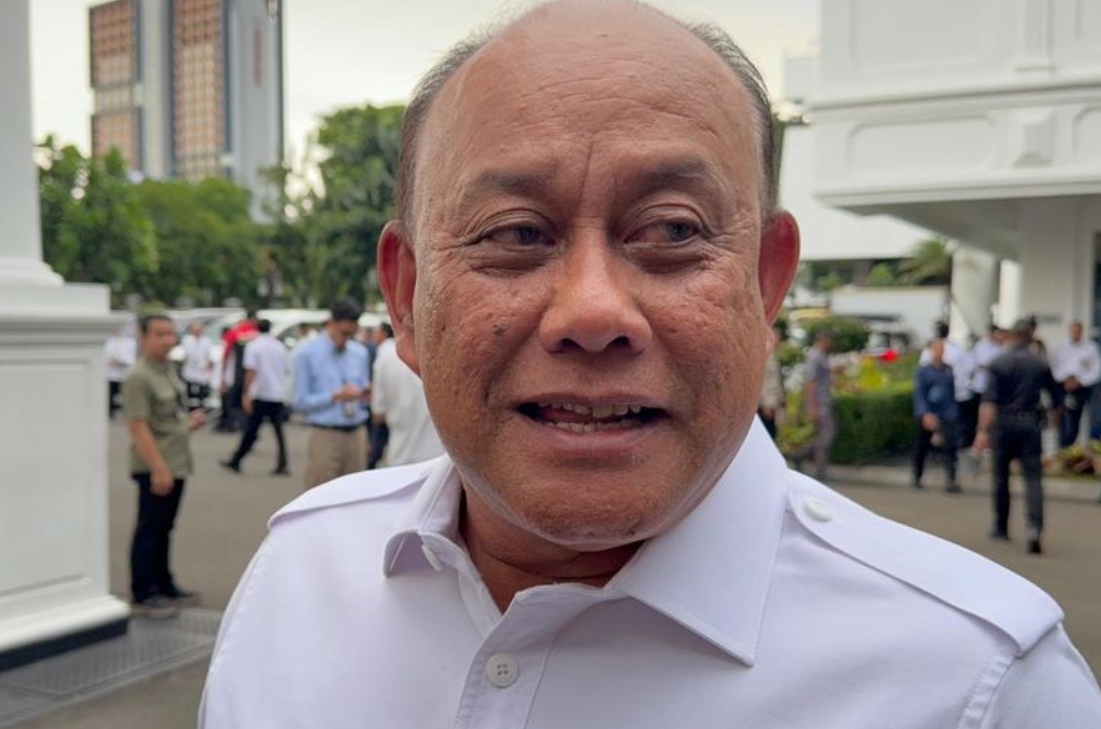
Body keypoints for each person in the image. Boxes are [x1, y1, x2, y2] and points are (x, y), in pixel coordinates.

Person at [200, 3, 1101, 726]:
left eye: (672, 229)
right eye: (516, 233)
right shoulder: (303, 569)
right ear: (405, 296)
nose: (593, 313)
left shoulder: (978, 684)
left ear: (765, 282)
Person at [122, 313, 205, 619]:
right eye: (159, 334)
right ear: (143, 337)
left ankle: (163, 583)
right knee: (149, 528)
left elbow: (167, 417)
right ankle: (143, 592)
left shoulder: (166, 368)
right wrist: (158, 467)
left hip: (176, 459)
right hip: (156, 463)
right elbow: (138, 426)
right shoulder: (139, 376)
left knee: (165, 528)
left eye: (171, 334)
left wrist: (188, 423)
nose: (168, 340)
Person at [975, 319, 1062, 556]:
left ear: (1011, 336)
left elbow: (989, 402)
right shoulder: (1039, 363)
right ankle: (1034, 528)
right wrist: (1053, 426)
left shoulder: (998, 362)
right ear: (1031, 336)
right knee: (1033, 479)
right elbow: (1056, 399)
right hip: (1030, 424)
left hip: (1003, 424)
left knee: (1001, 477)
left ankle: (1000, 526)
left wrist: (982, 431)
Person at [292, 298, 369, 488]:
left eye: (352, 334)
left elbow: (363, 391)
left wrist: (366, 394)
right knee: (320, 493)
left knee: (356, 494)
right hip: (325, 433)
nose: (347, 339)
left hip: (356, 432)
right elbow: (300, 401)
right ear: (331, 324)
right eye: (344, 333)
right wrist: (334, 396)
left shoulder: (360, 353)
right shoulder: (306, 353)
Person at [221, 319, 289, 475]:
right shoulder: (279, 346)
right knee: (278, 432)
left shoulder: (254, 346)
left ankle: (236, 460)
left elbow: (251, 371)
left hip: (261, 394)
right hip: (277, 394)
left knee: (251, 430)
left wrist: (246, 393)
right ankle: (282, 463)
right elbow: (285, 370)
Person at [370, 326, 444, 467]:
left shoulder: (385, 357)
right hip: (438, 458)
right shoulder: (444, 352)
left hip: (400, 454)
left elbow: (378, 413)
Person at [912, 339, 961, 492]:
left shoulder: (948, 370)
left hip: (947, 412)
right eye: (936, 350)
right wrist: (925, 413)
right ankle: (917, 476)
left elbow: (951, 392)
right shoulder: (923, 371)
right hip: (928, 411)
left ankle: (951, 480)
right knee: (922, 446)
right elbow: (919, 394)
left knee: (950, 448)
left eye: (941, 350)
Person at [1050, 319, 1101, 447]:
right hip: (1063, 386)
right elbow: (1054, 366)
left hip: (1081, 387)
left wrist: (1079, 380)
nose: (1075, 333)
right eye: (1073, 331)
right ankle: (1062, 445)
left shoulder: (1090, 348)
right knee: (1063, 417)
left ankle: (1072, 445)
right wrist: (1065, 379)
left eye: (1078, 331)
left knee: (1075, 417)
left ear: (1081, 332)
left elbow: (1096, 370)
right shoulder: (1059, 347)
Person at [802, 329, 835, 481]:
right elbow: (810, 383)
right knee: (825, 435)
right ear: (824, 340)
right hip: (820, 404)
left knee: (823, 435)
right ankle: (804, 458)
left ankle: (802, 457)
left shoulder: (820, 355)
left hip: (824, 401)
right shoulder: (814, 356)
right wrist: (812, 407)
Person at [366, 322, 393, 468]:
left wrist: (377, 409)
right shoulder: (391, 350)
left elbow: (379, 384)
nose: (373, 336)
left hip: (385, 413)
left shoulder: (384, 354)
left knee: (375, 453)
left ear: (384, 334)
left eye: (376, 332)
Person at [103, 322, 137, 419]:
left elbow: (132, 358)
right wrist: (109, 360)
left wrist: (121, 360)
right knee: (109, 395)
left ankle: (128, 413)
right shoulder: (108, 341)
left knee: (127, 395)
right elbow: (103, 356)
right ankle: (110, 413)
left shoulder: (130, 342)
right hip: (111, 374)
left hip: (125, 374)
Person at [180, 321, 215, 411]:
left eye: (199, 330)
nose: (197, 331)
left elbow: (208, 355)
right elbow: (185, 355)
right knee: (189, 391)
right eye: (195, 330)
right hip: (190, 370)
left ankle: (201, 409)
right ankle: (190, 409)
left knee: (202, 393)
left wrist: (208, 367)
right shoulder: (187, 340)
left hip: (202, 370)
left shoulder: (207, 341)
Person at [757, 325, 784, 439]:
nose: (779, 341)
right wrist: (767, 404)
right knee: (768, 434)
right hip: (767, 405)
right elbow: (763, 381)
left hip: (771, 404)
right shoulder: (766, 355)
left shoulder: (772, 354)